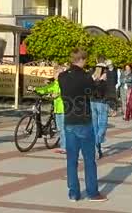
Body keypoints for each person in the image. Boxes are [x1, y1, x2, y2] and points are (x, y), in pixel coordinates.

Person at [59, 49, 107, 202]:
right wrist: (100, 81)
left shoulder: (62, 77)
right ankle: (92, 192)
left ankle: (73, 193)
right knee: (88, 159)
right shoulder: (85, 77)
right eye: (85, 60)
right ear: (81, 60)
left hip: (69, 120)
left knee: (71, 160)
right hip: (84, 121)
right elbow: (95, 94)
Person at [31, 65, 66, 154]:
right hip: (58, 108)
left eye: (56, 73)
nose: (54, 75)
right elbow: (46, 89)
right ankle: (64, 145)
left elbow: (65, 92)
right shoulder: (55, 83)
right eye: (54, 73)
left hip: (64, 108)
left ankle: (65, 147)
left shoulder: (65, 83)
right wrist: (35, 89)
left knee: (63, 129)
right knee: (60, 129)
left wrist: (58, 94)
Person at [90, 63, 108, 159]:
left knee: (98, 126)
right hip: (97, 101)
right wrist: (99, 80)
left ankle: (97, 148)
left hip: (98, 101)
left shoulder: (105, 77)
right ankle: (97, 144)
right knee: (100, 125)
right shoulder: (94, 77)